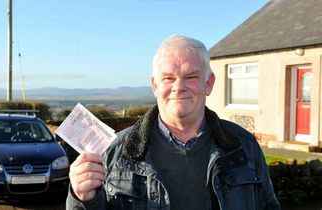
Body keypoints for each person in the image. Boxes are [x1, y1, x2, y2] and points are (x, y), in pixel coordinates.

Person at [66, 34, 280, 210]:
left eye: (191, 77)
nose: (179, 87)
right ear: (155, 85)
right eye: (168, 78)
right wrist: (81, 198)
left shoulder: (243, 145)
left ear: (209, 83)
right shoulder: (114, 152)